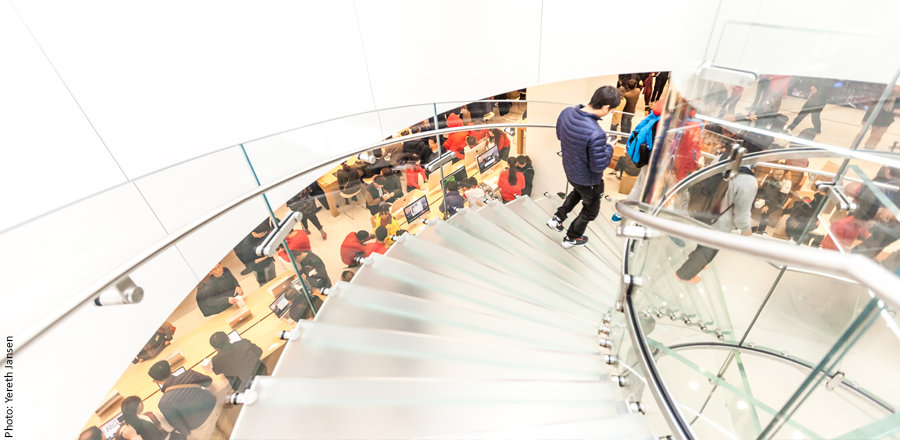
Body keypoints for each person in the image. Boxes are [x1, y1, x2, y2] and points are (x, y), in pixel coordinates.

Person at [546, 86, 620, 248]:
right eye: (611, 110)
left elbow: (560, 135)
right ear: (606, 107)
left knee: (577, 192)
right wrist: (609, 147)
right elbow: (598, 165)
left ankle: (558, 218)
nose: (609, 113)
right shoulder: (596, 134)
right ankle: (572, 237)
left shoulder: (566, 113)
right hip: (588, 179)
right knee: (590, 210)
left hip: (570, 170)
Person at [675, 160, 758, 282]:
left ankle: (694, 260)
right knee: (708, 251)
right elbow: (742, 213)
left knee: (703, 241)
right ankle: (684, 274)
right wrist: (746, 229)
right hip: (719, 221)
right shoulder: (749, 181)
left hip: (701, 208)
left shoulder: (722, 158)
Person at [148, 361, 216, 438]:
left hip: (202, 427)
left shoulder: (163, 404)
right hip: (217, 408)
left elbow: (181, 428)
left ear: (155, 381)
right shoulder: (190, 374)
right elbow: (208, 382)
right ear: (172, 370)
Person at [233, 220, 275, 284]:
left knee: (274, 280)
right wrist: (265, 257)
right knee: (264, 285)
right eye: (262, 234)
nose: (264, 235)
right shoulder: (247, 245)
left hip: (270, 262)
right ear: (255, 233)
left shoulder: (264, 233)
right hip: (260, 269)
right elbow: (250, 262)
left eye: (265, 233)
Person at [752, 168, 792, 235]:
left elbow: (781, 198)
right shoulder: (768, 177)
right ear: (773, 172)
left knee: (766, 212)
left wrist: (768, 206)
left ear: (784, 173)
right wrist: (759, 197)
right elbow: (761, 189)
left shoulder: (786, 182)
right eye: (776, 174)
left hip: (777, 201)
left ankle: (761, 230)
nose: (778, 176)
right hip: (766, 197)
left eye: (780, 174)